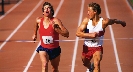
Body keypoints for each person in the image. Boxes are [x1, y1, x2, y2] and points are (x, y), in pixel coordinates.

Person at [76, 2, 126, 72]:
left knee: (97, 64)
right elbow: (77, 33)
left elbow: (114, 21)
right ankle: (90, 68)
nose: (87, 13)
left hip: (97, 47)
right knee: (85, 62)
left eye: (89, 11)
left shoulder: (104, 22)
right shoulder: (86, 21)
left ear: (95, 11)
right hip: (87, 47)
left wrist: (122, 22)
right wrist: (90, 35)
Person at [32, 2, 69, 72]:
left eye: (48, 8)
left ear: (51, 11)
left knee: (54, 69)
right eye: (45, 8)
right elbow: (35, 23)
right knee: (44, 64)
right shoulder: (39, 20)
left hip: (55, 49)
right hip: (43, 48)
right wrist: (35, 34)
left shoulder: (56, 21)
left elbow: (67, 34)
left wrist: (57, 30)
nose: (47, 9)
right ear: (43, 12)